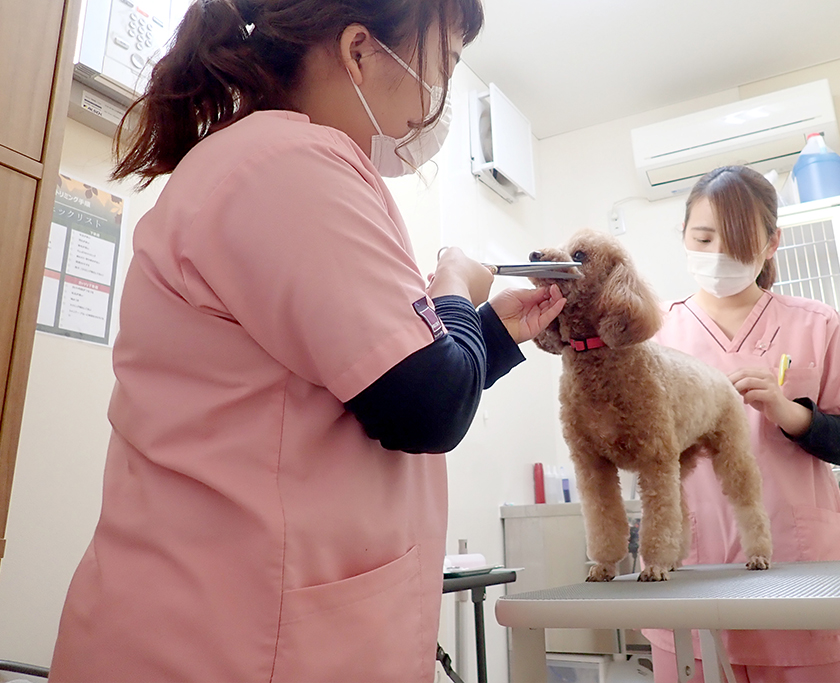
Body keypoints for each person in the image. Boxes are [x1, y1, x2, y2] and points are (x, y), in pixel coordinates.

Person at [48, 1, 565, 681]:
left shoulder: (286, 165)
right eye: (445, 64)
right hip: (217, 647)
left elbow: (376, 378)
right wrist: (452, 286)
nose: (438, 102)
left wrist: (496, 328)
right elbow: (425, 401)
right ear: (360, 52)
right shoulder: (289, 164)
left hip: (245, 628)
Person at [644, 165, 840, 683]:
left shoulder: (816, 324)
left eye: (736, 241)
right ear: (683, 236)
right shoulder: (656, 332)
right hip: (692, 578)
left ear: (773, 241)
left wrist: (787, 411)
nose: (716, 255)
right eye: (702, 238)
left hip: (803, 581)